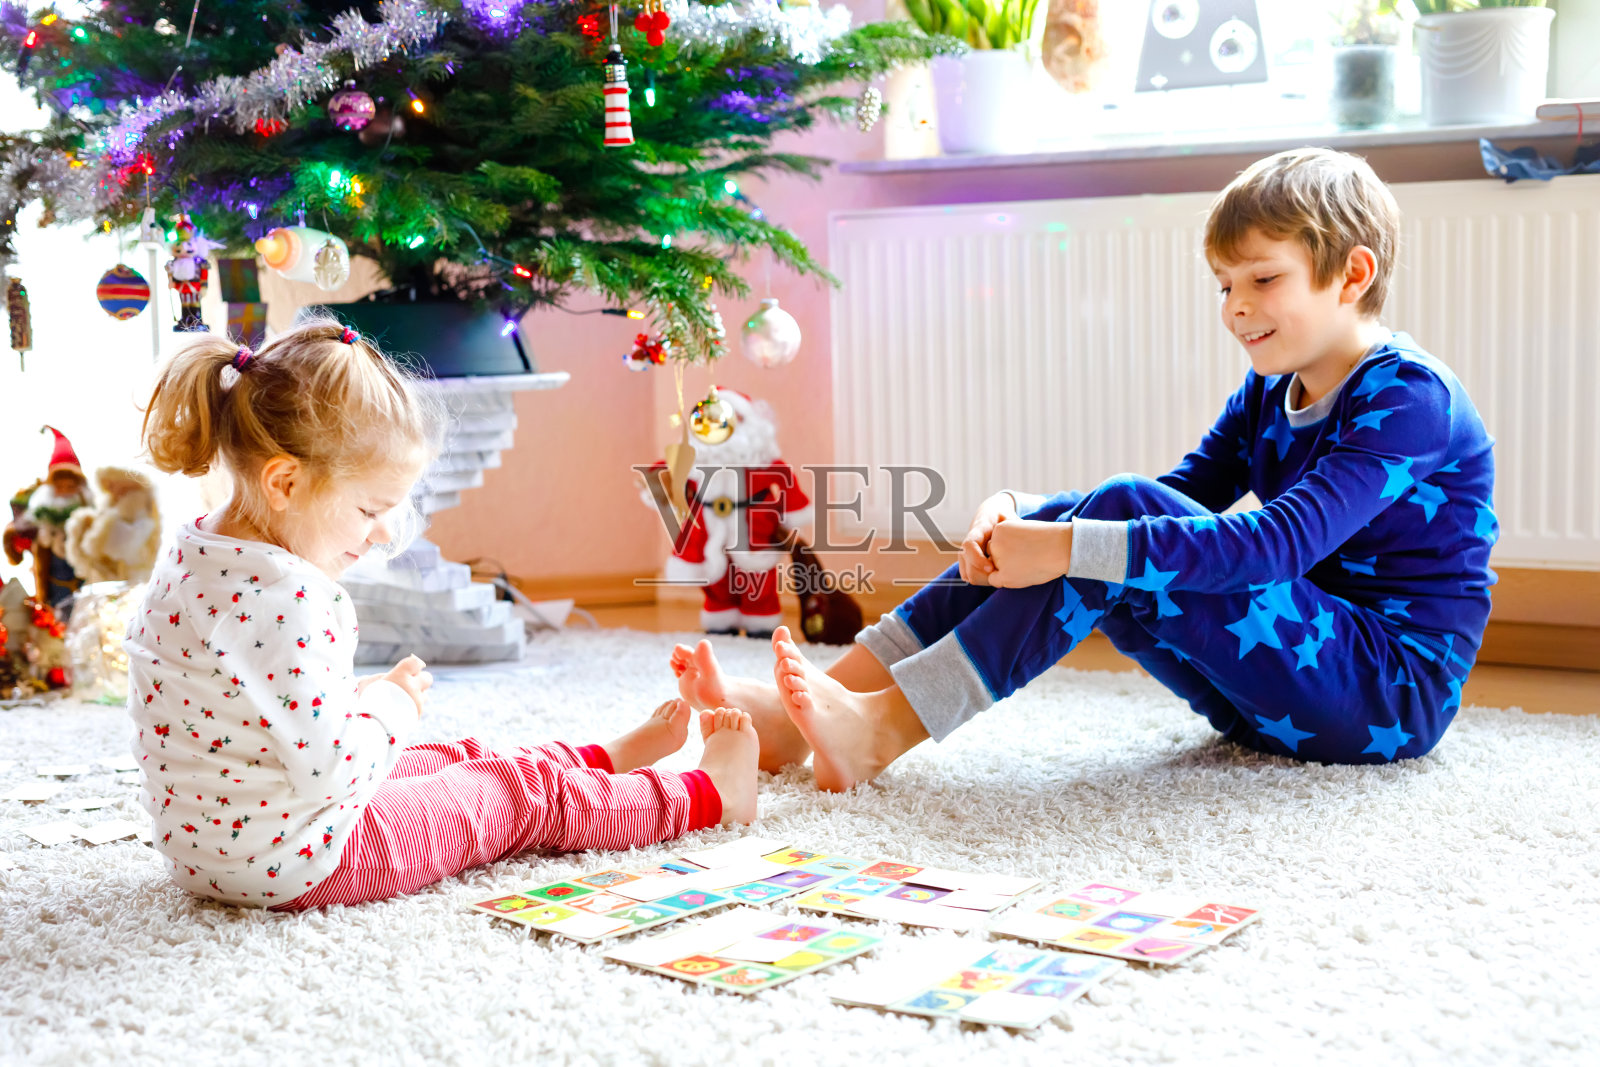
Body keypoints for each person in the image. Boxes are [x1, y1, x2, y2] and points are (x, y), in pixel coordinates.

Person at [670, 147, 1497, 790]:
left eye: (1262, 278)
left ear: (1352, 273)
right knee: (1115, 513)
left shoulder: (1409, 399)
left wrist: (1067, 546)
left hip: (1382, 696)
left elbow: (1277, 545)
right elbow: (1180, 499)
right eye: (1223, 285)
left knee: (1113, 526)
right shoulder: (1272, 385)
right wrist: (1028, 513)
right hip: (1274, 693)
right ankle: (805, 711)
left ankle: (885, 728)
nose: (1234, 307)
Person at [127, 318, 757, 908]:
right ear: (285, 483)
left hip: (211, 850)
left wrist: (353, 701)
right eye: (369, 511)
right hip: (306, 858)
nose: (379, 536)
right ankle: (708, 796)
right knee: (517, 798)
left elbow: (241, 708)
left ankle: (599, 760)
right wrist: (390, 707)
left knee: (451, 760)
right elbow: (331, 773)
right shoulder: (287, 599)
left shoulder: (193, 556)